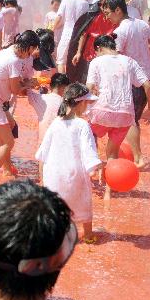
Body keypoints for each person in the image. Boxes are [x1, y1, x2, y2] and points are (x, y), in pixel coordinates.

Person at [36, 83, 103, 242]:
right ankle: (87, 235)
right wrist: (96, 167)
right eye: (87, 103)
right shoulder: (82, 124)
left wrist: (42, 178)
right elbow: (88, 151)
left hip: (53, 173)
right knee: (83, 203)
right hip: (75, 173)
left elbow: (42, 153)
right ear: (80, 103)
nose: (87, 106)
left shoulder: (55, 123)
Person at [86, 35, 150, 192]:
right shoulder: (129, 61)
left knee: (88, 142)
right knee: (112, 154)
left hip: (101, 112)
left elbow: (89, 88)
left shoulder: (96, 62)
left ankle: (89, 180)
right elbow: (148, 86)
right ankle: (109, 190)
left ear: (99, 48)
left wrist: (82, 110)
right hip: (124, 115)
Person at [106, 0, 150, 167]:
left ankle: (138, 158)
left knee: (129, 120)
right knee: (132, 119)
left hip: (132, 81)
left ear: (118, 10)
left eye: (109, 13)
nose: (107, 16)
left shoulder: (120, 32)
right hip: (148, 77)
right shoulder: (142, 24)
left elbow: (114, 58)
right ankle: (135, 156)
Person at [0, 31, 40, 176]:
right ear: (29, 47)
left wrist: (25, 83)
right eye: (32, 51)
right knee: (9, 142)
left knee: (10, 125)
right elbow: (16, 90)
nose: (31, 55)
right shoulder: (14, 60)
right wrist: (30, 83)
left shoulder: (7, 51)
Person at [67, 0, 118, 84]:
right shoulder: (92, 12)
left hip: (108, 54)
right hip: (90, 54)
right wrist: (78, 52)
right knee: (88, 82)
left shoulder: (117, 13)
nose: (107, 0)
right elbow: (83, 33)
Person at [54, 0, 90, 73]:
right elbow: (86, 21)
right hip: (79, 35)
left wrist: (52, 30)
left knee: (61, 61)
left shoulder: (65, 1)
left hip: (67, 33)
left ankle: (63, 83)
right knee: (75, 60)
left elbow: (59, 17)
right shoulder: (85, 3)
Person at [35, 72, 71, 142]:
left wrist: (38, 82)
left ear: (50, 86)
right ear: (65, 87)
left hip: (43, 139)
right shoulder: (67, 104)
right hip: (59, 140)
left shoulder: (40, 98)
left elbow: (23, 89)